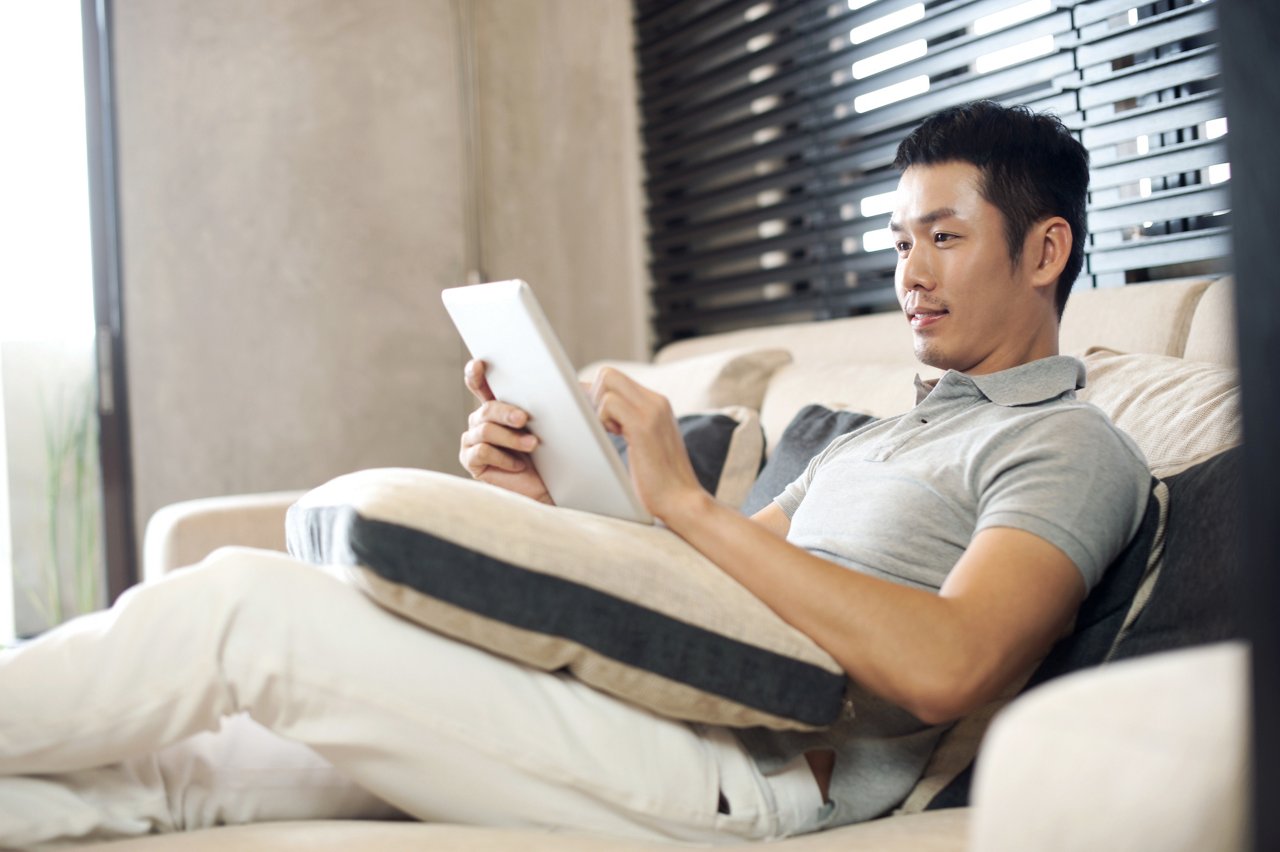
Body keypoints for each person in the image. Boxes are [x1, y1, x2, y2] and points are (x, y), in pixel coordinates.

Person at [0, 101, 1148, 846]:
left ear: (1042, 250)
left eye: (941, 238)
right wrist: (545, 508)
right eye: (898, 242)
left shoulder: (1068, 447)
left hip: (746, 775)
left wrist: (689, 504)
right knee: (176, 778)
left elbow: (949, 664)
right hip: (655, 705)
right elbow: (717, 593)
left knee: (248, 607)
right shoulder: (870, 436)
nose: (908, 275)